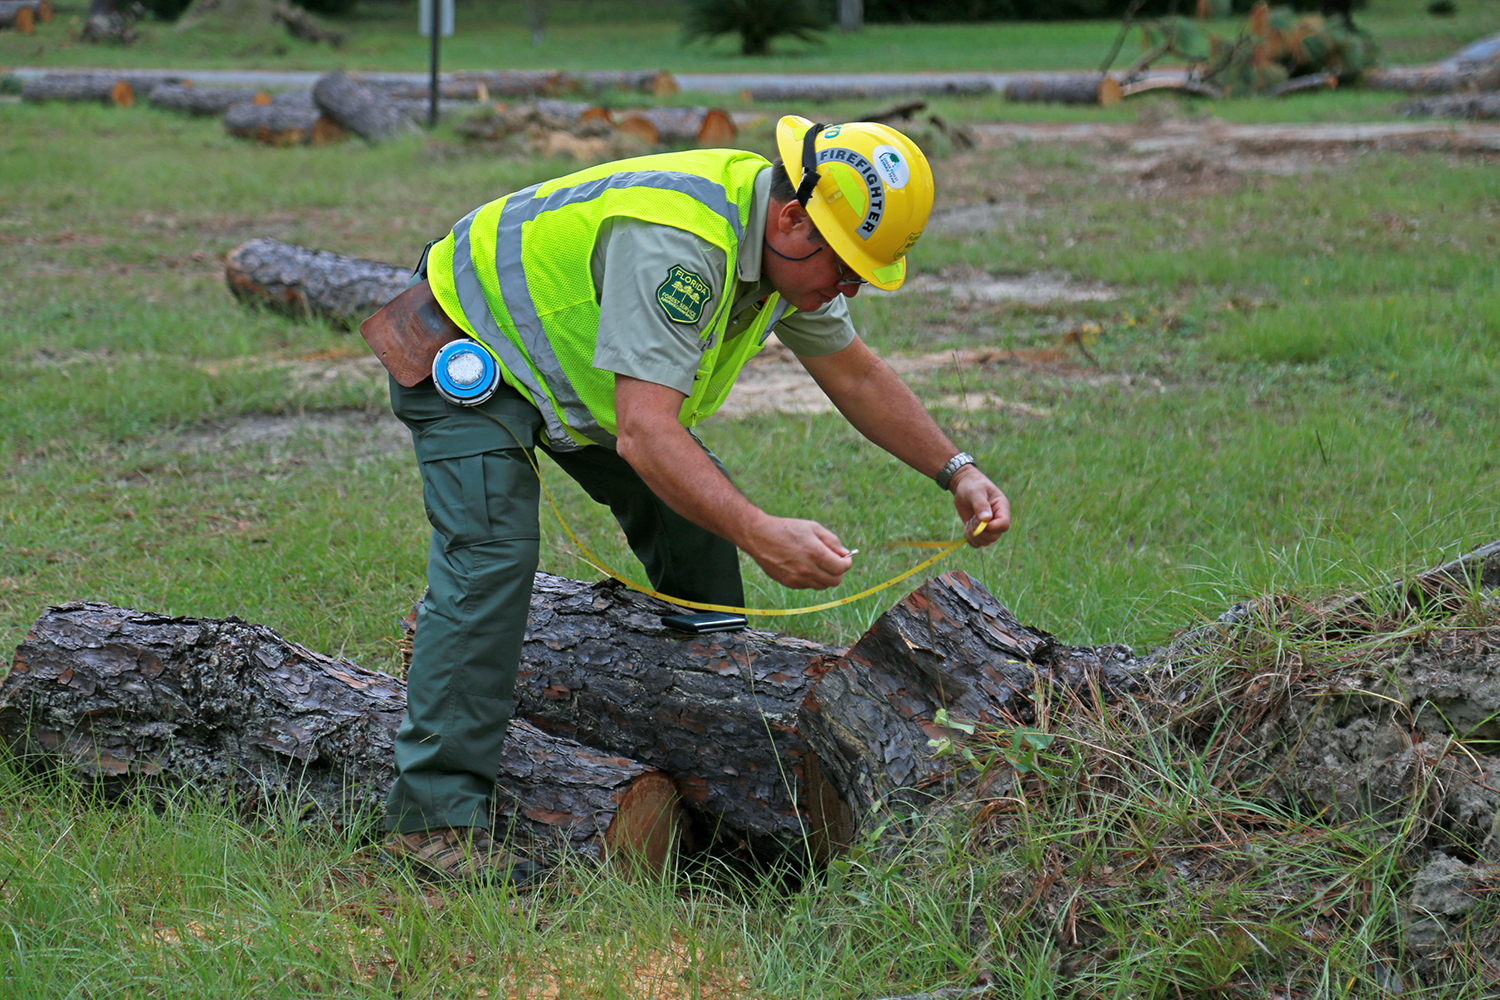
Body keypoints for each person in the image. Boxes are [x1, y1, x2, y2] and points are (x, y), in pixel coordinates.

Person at [374, 115, 1011, 887]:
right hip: (466, 339)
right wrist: (761, 531)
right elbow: (645, 435)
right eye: (845, 269)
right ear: (792, 220)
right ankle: (431, 819)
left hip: (577, 372)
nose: (845, 290)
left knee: (697, 541)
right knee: (491, 561)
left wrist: (957, 470)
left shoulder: (788, 245)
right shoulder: (681, 247)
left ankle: (717, 748)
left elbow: (857, 374)